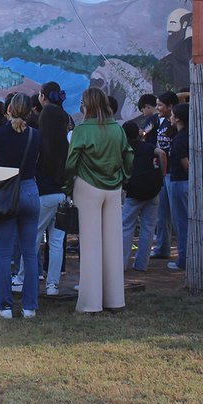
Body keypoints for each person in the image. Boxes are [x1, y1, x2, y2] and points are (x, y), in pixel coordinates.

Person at [65, 87, 133, 314]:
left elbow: (71, 161)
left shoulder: (82, 130)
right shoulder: (117, 128)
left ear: (87, 105)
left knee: (90, 245)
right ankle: (115, 300)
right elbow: (128, 155)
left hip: (87, 186)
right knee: (113, 244)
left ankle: (90, 303)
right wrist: (123, 176)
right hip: (114, 188)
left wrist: (67, 185)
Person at [0, 93, 42, 319]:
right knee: (29, 253)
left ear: (9, 109)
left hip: (5, 191)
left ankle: (5, 306)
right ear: (29, 112)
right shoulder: (35, 135)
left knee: (4, 253)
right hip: (29, 189)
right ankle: (30, 307)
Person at [30, 81, 70, 297]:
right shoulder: (66, 144)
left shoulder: (39, 143)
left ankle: (22, 276)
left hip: (44, 193)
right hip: (63, 193)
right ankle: (53, 284)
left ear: (43, 96)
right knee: (56, 242)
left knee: (34, 236)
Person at [121, 120, 166, 271]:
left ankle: (122, 264)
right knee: (148, 228)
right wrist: (162, 174)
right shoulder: (148, 147)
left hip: (133, 194)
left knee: (126, 227)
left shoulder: (126, 150)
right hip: (152, 192)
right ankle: (141, 265)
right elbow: (162, 153)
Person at [150, 91, 180, 259]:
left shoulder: (176, 124)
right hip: (162, 172)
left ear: (170, 107)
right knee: (162, 214)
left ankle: (182, 252)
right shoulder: (159, 122)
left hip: (173, 173)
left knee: (176, 215)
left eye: (160, 105)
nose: (157, 108)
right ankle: (162, 248)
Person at [166, 103, 190, 271]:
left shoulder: (180, 139)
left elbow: (186, 165)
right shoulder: (185, 135)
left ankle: (183, 259)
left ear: (179, 118)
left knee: (181, 223)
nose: (170, 118)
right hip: (181, 181)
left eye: (172, 115)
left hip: (180, 182)